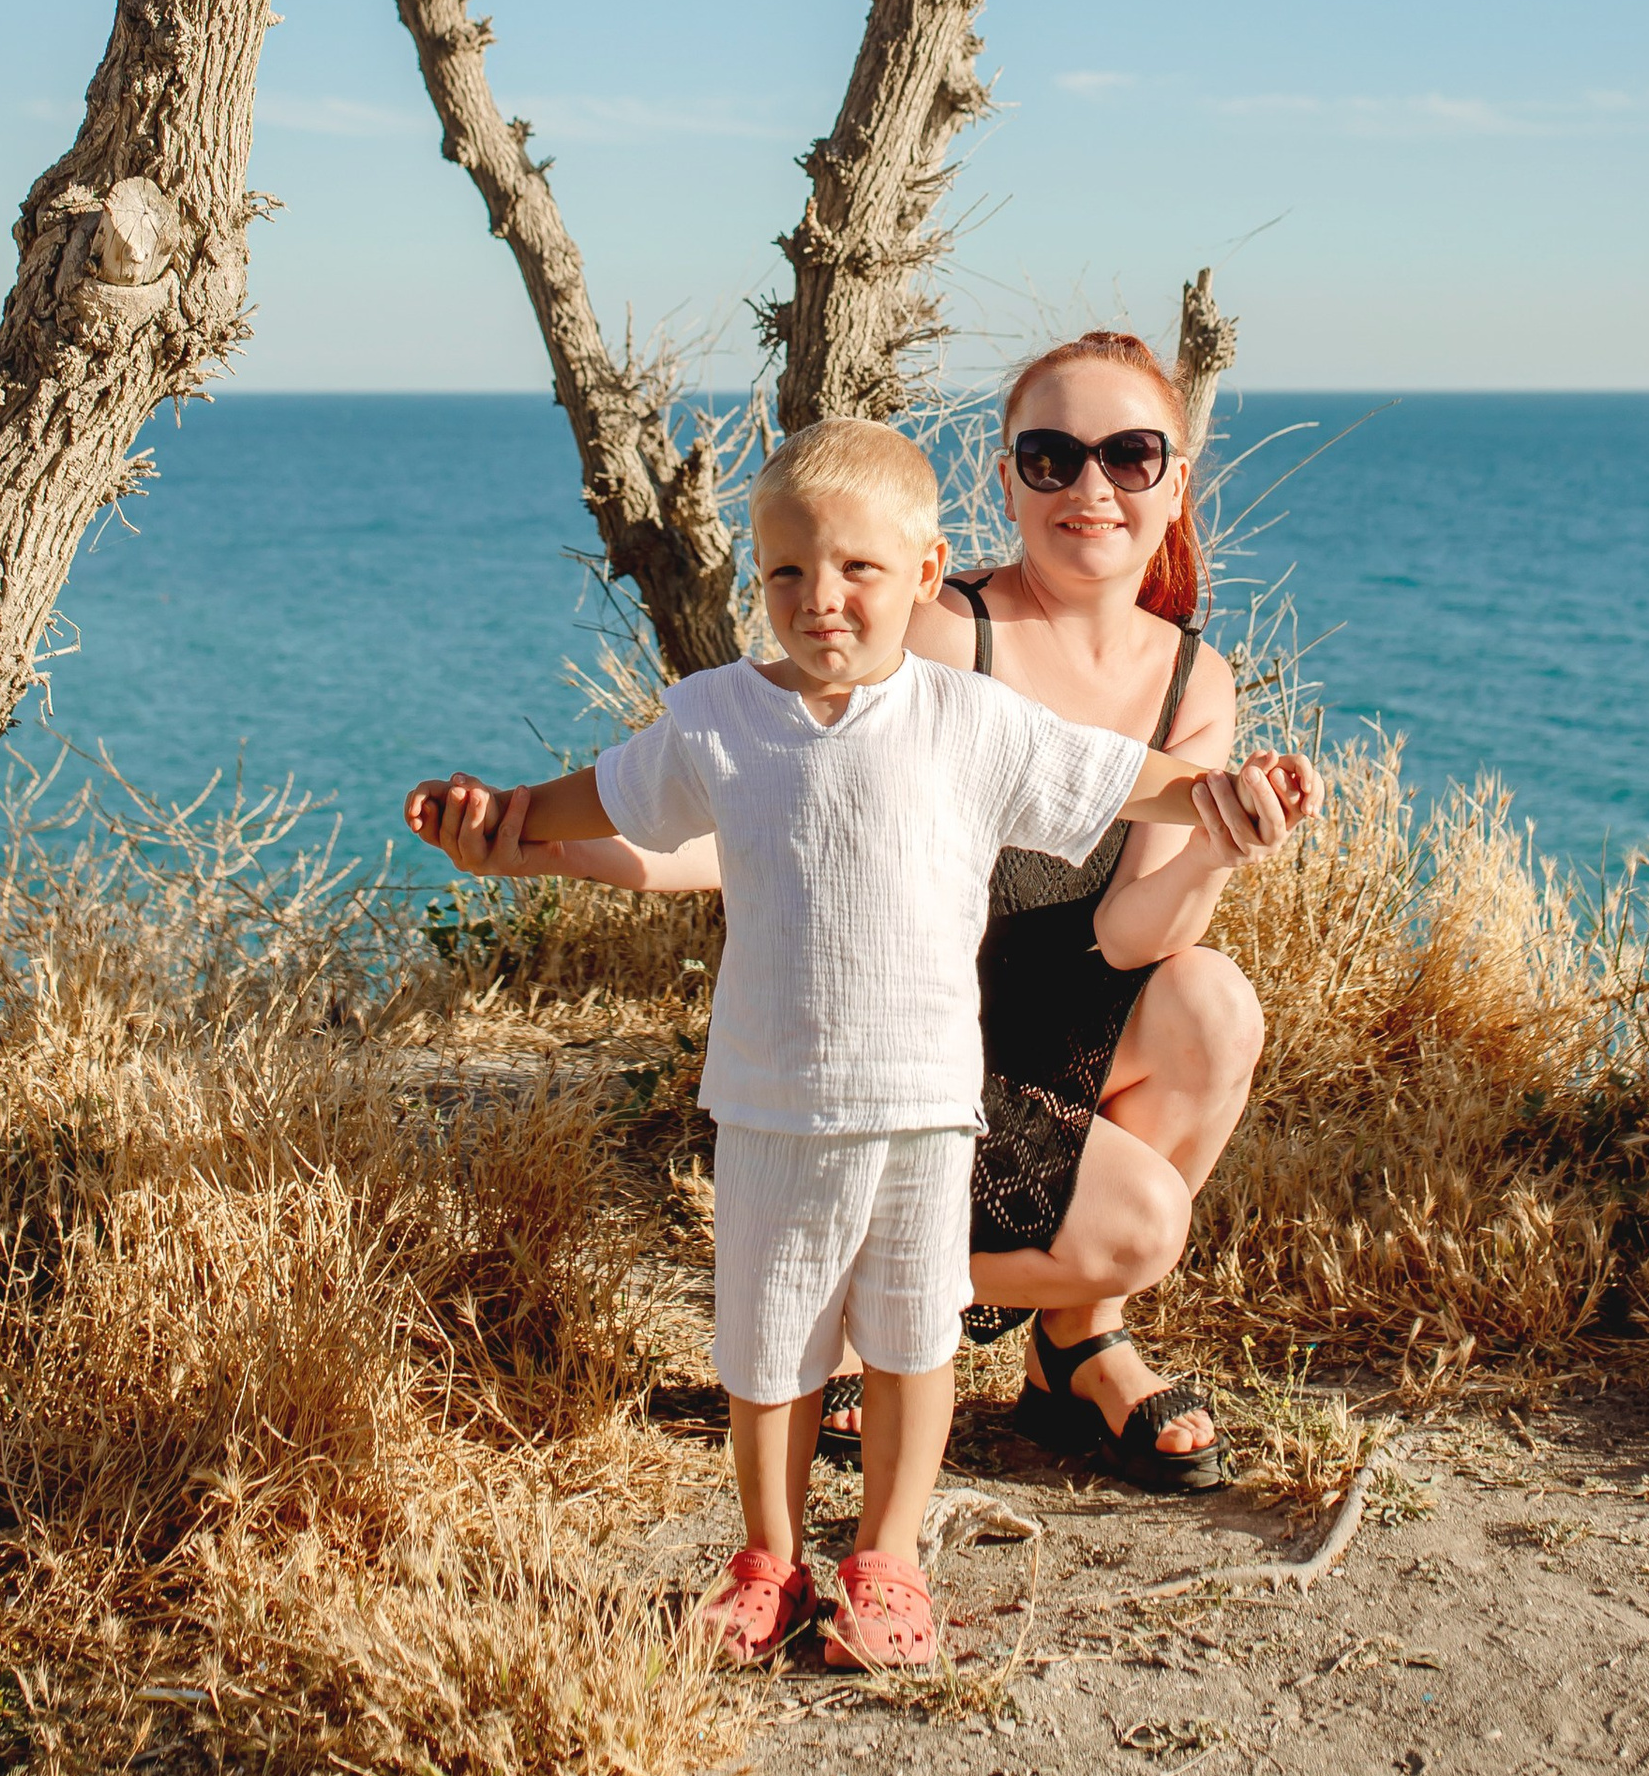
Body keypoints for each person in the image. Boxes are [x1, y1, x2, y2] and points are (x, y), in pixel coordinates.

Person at [405, 417, 1313, 1673]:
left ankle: (888, 1562)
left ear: (927, 571)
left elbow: (1121, 778)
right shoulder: (717, 719)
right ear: (757, 580)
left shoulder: (969, 722)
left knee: (908, 1340)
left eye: (855, 572)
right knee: (769, 1349)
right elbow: (602, 797)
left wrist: (1229, 793)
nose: (818, 600)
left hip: (931, 1105)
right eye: (785, 574)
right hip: (771, 1103)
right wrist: (498, 819)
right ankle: (766, 1559)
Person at [488, 329, 1272, 1490]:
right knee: (1143, 1223)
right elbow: (771, 817)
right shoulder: (940, 631)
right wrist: (555, 850)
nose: (1089, 488)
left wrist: (1222, 836)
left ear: (1172, 481)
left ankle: (1078, 1346)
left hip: (1050, 1025)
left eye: (1128, 455)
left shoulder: (1194, 680)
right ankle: (843, 1295)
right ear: (1006, 480)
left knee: (1213, 1001)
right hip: (896, 1048)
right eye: (1049, 456)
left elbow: (1130, 939)